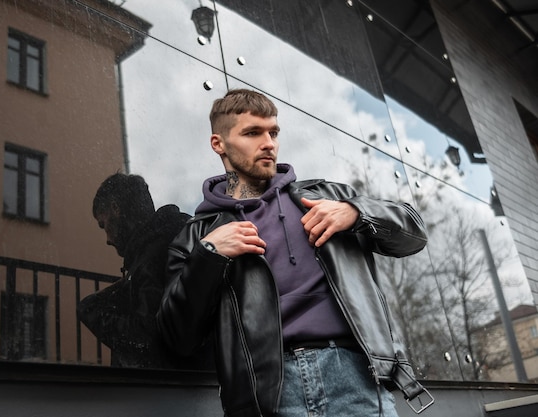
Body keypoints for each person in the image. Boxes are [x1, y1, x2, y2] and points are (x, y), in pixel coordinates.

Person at [157, 89, 433, 416]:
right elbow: (177, 337)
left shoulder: (327, 196)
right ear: (219, 144)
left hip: (356, 378)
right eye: (252, 133)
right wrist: (209, 255)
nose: (269, 143)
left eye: (273, 132)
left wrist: (357, 212)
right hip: (268, 395)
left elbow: (413, 235)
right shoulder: (198, 235)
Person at [78, 173, 190, 368]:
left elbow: (147, 339)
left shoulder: (154, 255)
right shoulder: (175, 240)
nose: (107, 239)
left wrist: (90, 309)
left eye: (103, 225)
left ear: (115, 208)